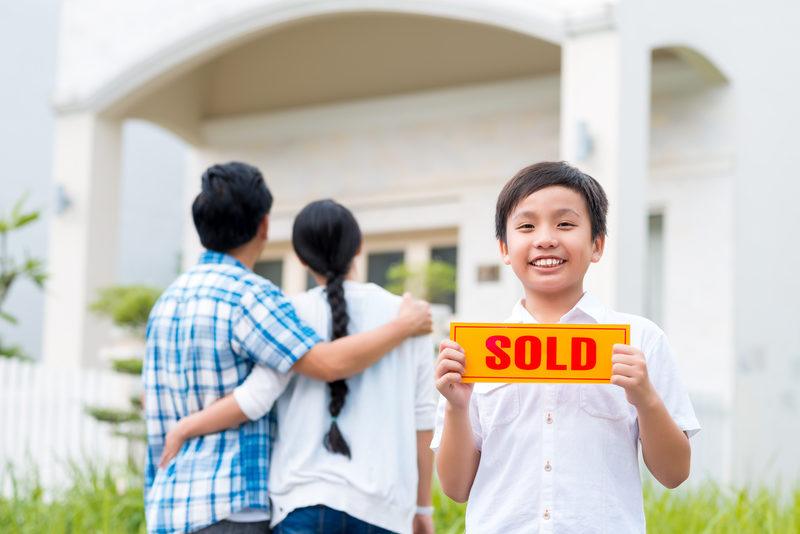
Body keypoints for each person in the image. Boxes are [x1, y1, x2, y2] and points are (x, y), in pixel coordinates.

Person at [144, 163, 432, 534]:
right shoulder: (261, 300)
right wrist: (422, 506)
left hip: (198, 506)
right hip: (367, 508)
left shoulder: (167, 303)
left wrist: (184, 427)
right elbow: (418, 416)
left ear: (300, 257)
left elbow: (257, 394)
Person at [433, 161, 700, 533]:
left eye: (565, 224)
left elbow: (674, 474)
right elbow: (455, 487)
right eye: (526, 225)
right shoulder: (475, 350)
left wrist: (645, 397)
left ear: (597, 244)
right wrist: (456, 408)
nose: (545, 238)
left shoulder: (639, 339)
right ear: (505, 248)